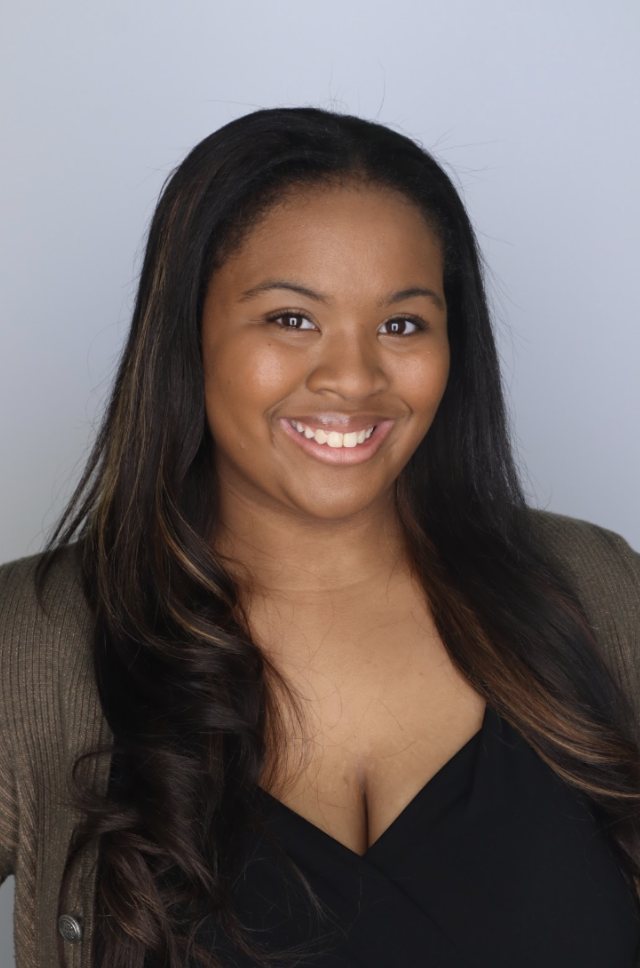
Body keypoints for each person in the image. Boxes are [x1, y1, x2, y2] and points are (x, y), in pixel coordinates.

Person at [1, 107, 639, 968]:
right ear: (188, 333)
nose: (354, 376)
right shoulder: (35, 646)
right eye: (291, 319)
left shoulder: (600, 592)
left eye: (403, 324)